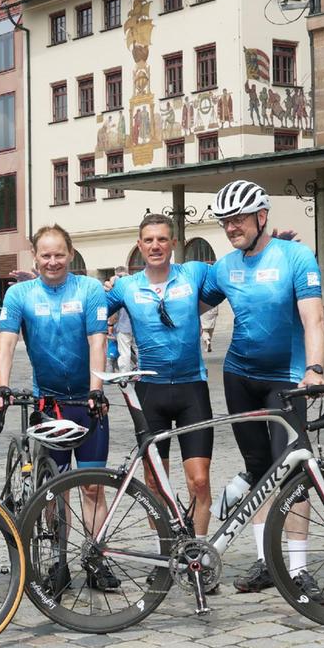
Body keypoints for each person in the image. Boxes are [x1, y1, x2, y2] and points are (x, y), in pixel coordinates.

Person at [199, 180, 324, 603]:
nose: (231, 227)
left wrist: (314, 370)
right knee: (258, 472)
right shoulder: (225, 266)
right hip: (239, 378)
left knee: (290, 473)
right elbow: (192, 303)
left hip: (286, 380)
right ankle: (266, 561)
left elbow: (313, 319)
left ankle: (299, 567)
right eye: (225, 221)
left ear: (262, 217)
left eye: (237, 218)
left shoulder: (295, 256)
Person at [0, 224, 110, 592]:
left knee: (92, 488)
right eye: (46, 255)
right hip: (51, 405)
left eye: (59, 254)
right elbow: (7, 343)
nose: (53, 261)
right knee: (56, 490)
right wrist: (2, 385)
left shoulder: (89, 289)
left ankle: (96, 558)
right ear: (35, 258)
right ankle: (58, 561)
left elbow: (97, 342)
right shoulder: (20, 295)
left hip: (87, 403)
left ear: (70, 254)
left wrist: (96, 390)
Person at [105, 214, 214, 539]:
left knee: (200, 480)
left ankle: (199, 554)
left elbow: (236, 279)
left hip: (191, 389)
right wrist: (39, 282)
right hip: (149, 393)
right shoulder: (126, 286)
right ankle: (163, 556)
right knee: (154, 482)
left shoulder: (192, 274)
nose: (156, 245)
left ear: (173, 244)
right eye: (149, 240)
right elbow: (91, 307)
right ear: (140, 246)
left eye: (162, 239)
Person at [111, 264, 136, 371]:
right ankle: (142, 371)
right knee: (139, 349)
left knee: (124, 352)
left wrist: (110, 325)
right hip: (137, 325)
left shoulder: (117, 288)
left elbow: (114, 311)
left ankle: (124, 375)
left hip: (123, 326)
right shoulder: (135, 285)